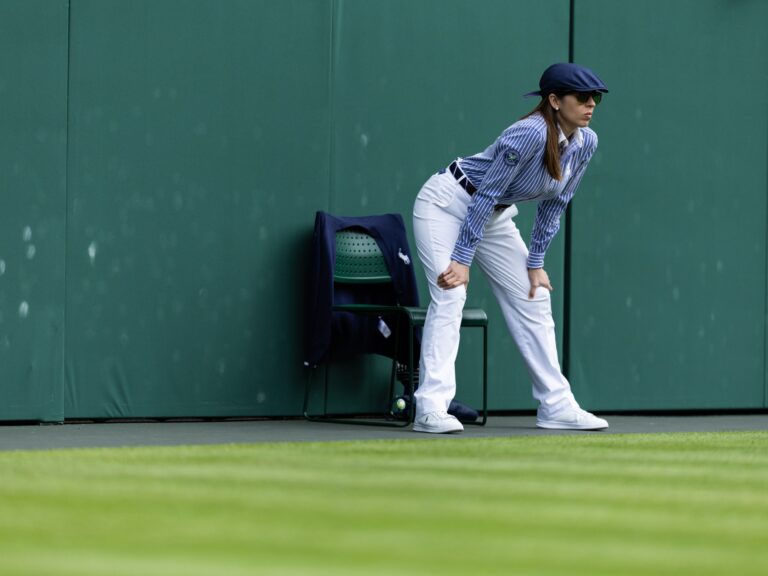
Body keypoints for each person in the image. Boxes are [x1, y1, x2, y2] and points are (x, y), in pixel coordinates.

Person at [412, 63, 610, 433]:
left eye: (595, 97)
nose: (591, 104)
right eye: (582, 97)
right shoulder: (529, 133)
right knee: (451, 292)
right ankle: (430, 408)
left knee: (535, 295)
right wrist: (462, 258)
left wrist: (536, 262)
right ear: (555, 101)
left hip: (494, 217)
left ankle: (556, 406)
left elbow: (556, 203)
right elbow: (486, 193)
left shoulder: (586, 142)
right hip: (447, 204)